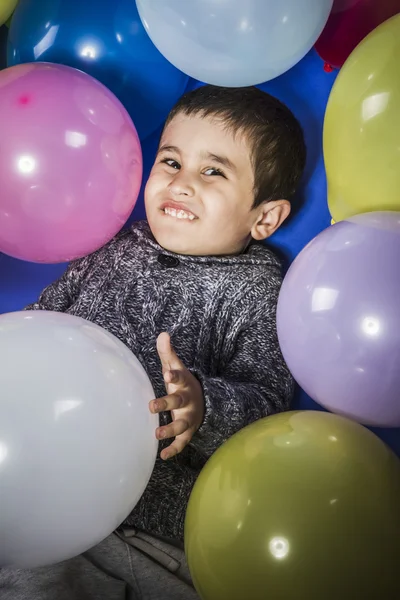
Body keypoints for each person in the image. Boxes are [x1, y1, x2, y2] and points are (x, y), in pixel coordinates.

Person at [1, 84, 306, 600]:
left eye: (213, 171)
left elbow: (268, 400)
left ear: (265, 217)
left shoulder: (255, 288)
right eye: (170, 161)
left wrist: (203, 405)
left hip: (144, 526)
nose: (181, 183)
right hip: (37, 484)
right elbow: (43, 323)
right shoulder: (119, 241)